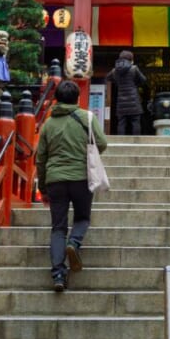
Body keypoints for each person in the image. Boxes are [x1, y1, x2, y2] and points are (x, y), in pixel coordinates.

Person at [35, 79, 108, 291]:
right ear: (77, 98)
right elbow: (102, 143)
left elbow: (40, 158)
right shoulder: (87, 117)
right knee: (83, 217)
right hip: (81, 178)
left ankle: (58, 275)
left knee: (57, 227)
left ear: (56, 98)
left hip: (55, 180)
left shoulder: (48, 124)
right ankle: (74, 243)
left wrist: (43, 189)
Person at [105, 49, 146, 135]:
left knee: (121, 122)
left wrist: (117, 82)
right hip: (133, 99)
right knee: (135, 121)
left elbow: (108, 78)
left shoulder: (114, 71)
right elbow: (143, 80)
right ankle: (136, 142)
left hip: (121, 101)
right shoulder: (134, 69)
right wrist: (135, 84)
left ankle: (121, 141)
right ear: (131, 59)